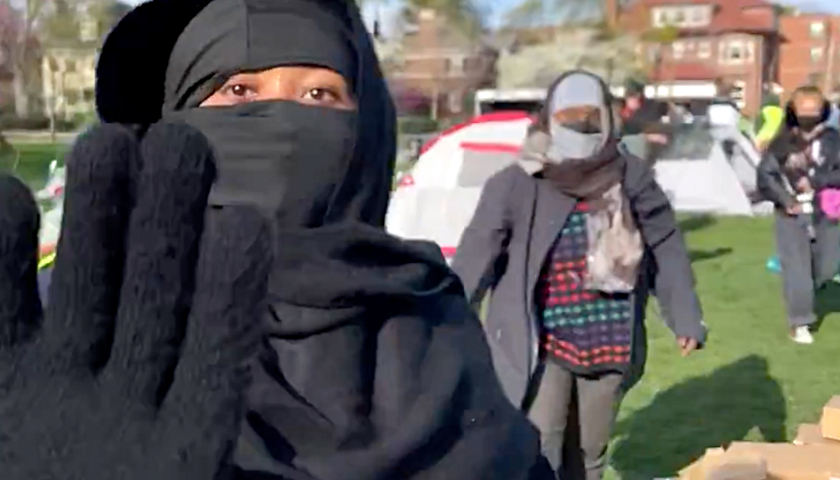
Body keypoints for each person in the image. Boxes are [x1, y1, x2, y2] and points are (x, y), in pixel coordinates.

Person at [16, 0, 554, 478]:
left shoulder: (429, 312)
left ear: (365, 130)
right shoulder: (78, 319)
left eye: (319, 92)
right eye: (238, 90)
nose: (282, 120)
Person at [451, 70, 707, 480]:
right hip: (543, 340)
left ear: (607, 117)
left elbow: (666, 245)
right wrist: (449, 317)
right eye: (570, 115)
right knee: (542, 443)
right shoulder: (518, 182)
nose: (580, 125)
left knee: (591, 451)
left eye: (590, 116)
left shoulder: (631, 176)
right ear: (549, 117)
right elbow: (478, 249)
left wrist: (685, 316)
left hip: (609, 340)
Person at [757, 85, 840, 345]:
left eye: (813, 110)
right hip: (790, 214)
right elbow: (766, 176)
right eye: (803, 110)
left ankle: (804, 288)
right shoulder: (782, 141)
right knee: (798, 269)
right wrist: (786, 200)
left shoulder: (833, 139)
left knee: (829, 266)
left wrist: (819, 182)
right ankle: (799, 320)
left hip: (826, 211)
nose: (808, 116)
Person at [618, 79, 670, 165]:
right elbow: (618, 138)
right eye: (631, 96)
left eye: (637, 97)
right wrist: (647, 137)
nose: (634, 100)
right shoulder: (617, 112)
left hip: (649, 156)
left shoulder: (652, 110)